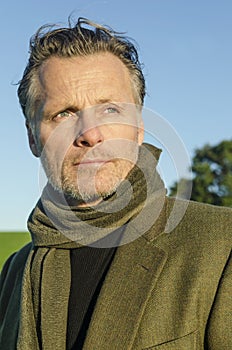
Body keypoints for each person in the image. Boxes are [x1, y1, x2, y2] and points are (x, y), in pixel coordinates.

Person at [0, 17, 231, 350]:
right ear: (33, 138)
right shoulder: (14, 272)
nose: (90, 134)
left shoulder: (223, 245)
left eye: (109, 109)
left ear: (138, 127)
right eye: (64, 113)